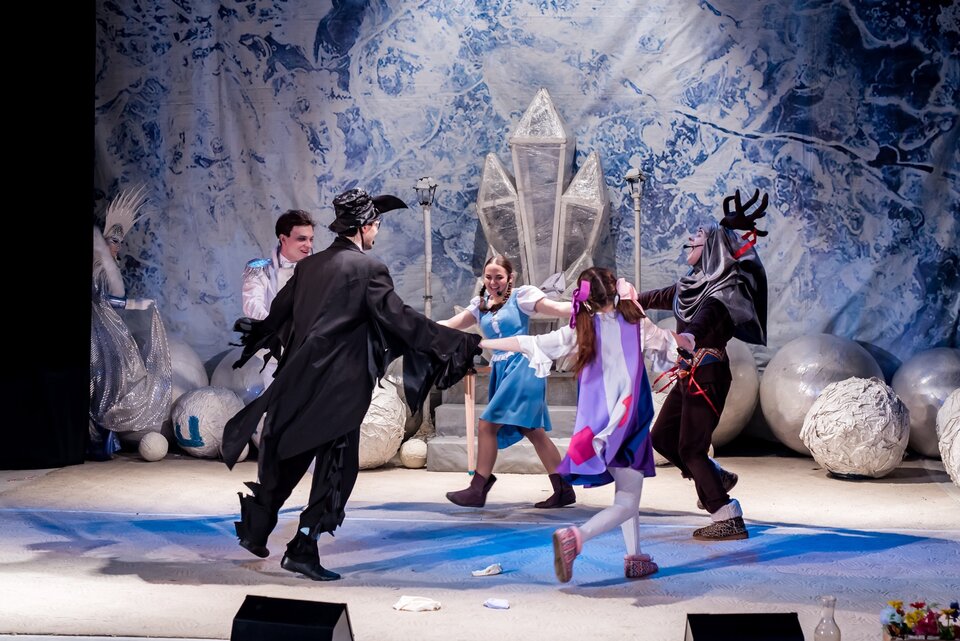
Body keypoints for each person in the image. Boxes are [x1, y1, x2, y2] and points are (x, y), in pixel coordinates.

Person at [220, 188, 482, 581]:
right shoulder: (368, 269)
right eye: (376, 224)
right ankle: (302, 548)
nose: (377, 231)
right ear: (364, 226)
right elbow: (402, 320)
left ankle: (257, 529)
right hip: (340, 385)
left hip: (300, 376)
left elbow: (276, 316)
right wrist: (457, 343)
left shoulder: (310, 266)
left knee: (290, 452)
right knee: (337, 467)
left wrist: (262, 337)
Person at [480, 266, 687, 582]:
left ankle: (635, 557)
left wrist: (483, 344)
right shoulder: (636, 323)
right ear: (614, 290)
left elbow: (531, 343)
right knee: (627, 500)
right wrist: (690, 339)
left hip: (597, 427)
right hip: (627, 423)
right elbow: (669, 343)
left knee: (626, 493)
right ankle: (575, 537)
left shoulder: (582, 330)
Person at [639, 188, 768, 541]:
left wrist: (686, 338)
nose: (689, 242)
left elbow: (699, 326)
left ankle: (727, 515)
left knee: (691, 448)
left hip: (707, 376)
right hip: (688, 376)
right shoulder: (689, 286)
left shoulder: (720, 295)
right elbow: (651, 298)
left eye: (696, 239)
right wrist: (616, 299)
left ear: (711, 248)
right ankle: (716, 476)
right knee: (662, 438)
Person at [438, 255, 576, 509]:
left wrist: (588, 306)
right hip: (502, 370)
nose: (493, 282)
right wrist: (413, 326)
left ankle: (478, 487)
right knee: (532, 431)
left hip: (524, 366)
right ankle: (563, 489)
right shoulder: (480, 305)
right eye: (488, 277)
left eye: (499, 277)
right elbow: (449, 325)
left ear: (510, 278)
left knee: (487, 425)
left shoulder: (522, 297)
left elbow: (556, 309)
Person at [90, 186, 172, 460]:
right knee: (106, 380)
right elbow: (107, 299)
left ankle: (105, 440)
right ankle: (97, 440)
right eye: (113, 241)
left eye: (119, 241)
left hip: (111, 332)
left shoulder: (106, 270)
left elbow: (114, 301)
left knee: (117, 381)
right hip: (100, 335)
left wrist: (140, 305)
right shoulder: (99, 271)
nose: (118, 246)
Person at [241, 209, 315, 390]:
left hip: (313, 354)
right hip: (276, 355)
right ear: (283, 238)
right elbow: (252, 305)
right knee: (277, 402)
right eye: (301, 239)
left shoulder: (319, 269)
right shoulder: (260, 269)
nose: (308, 245)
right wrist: (279, 330)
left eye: (311, 239)